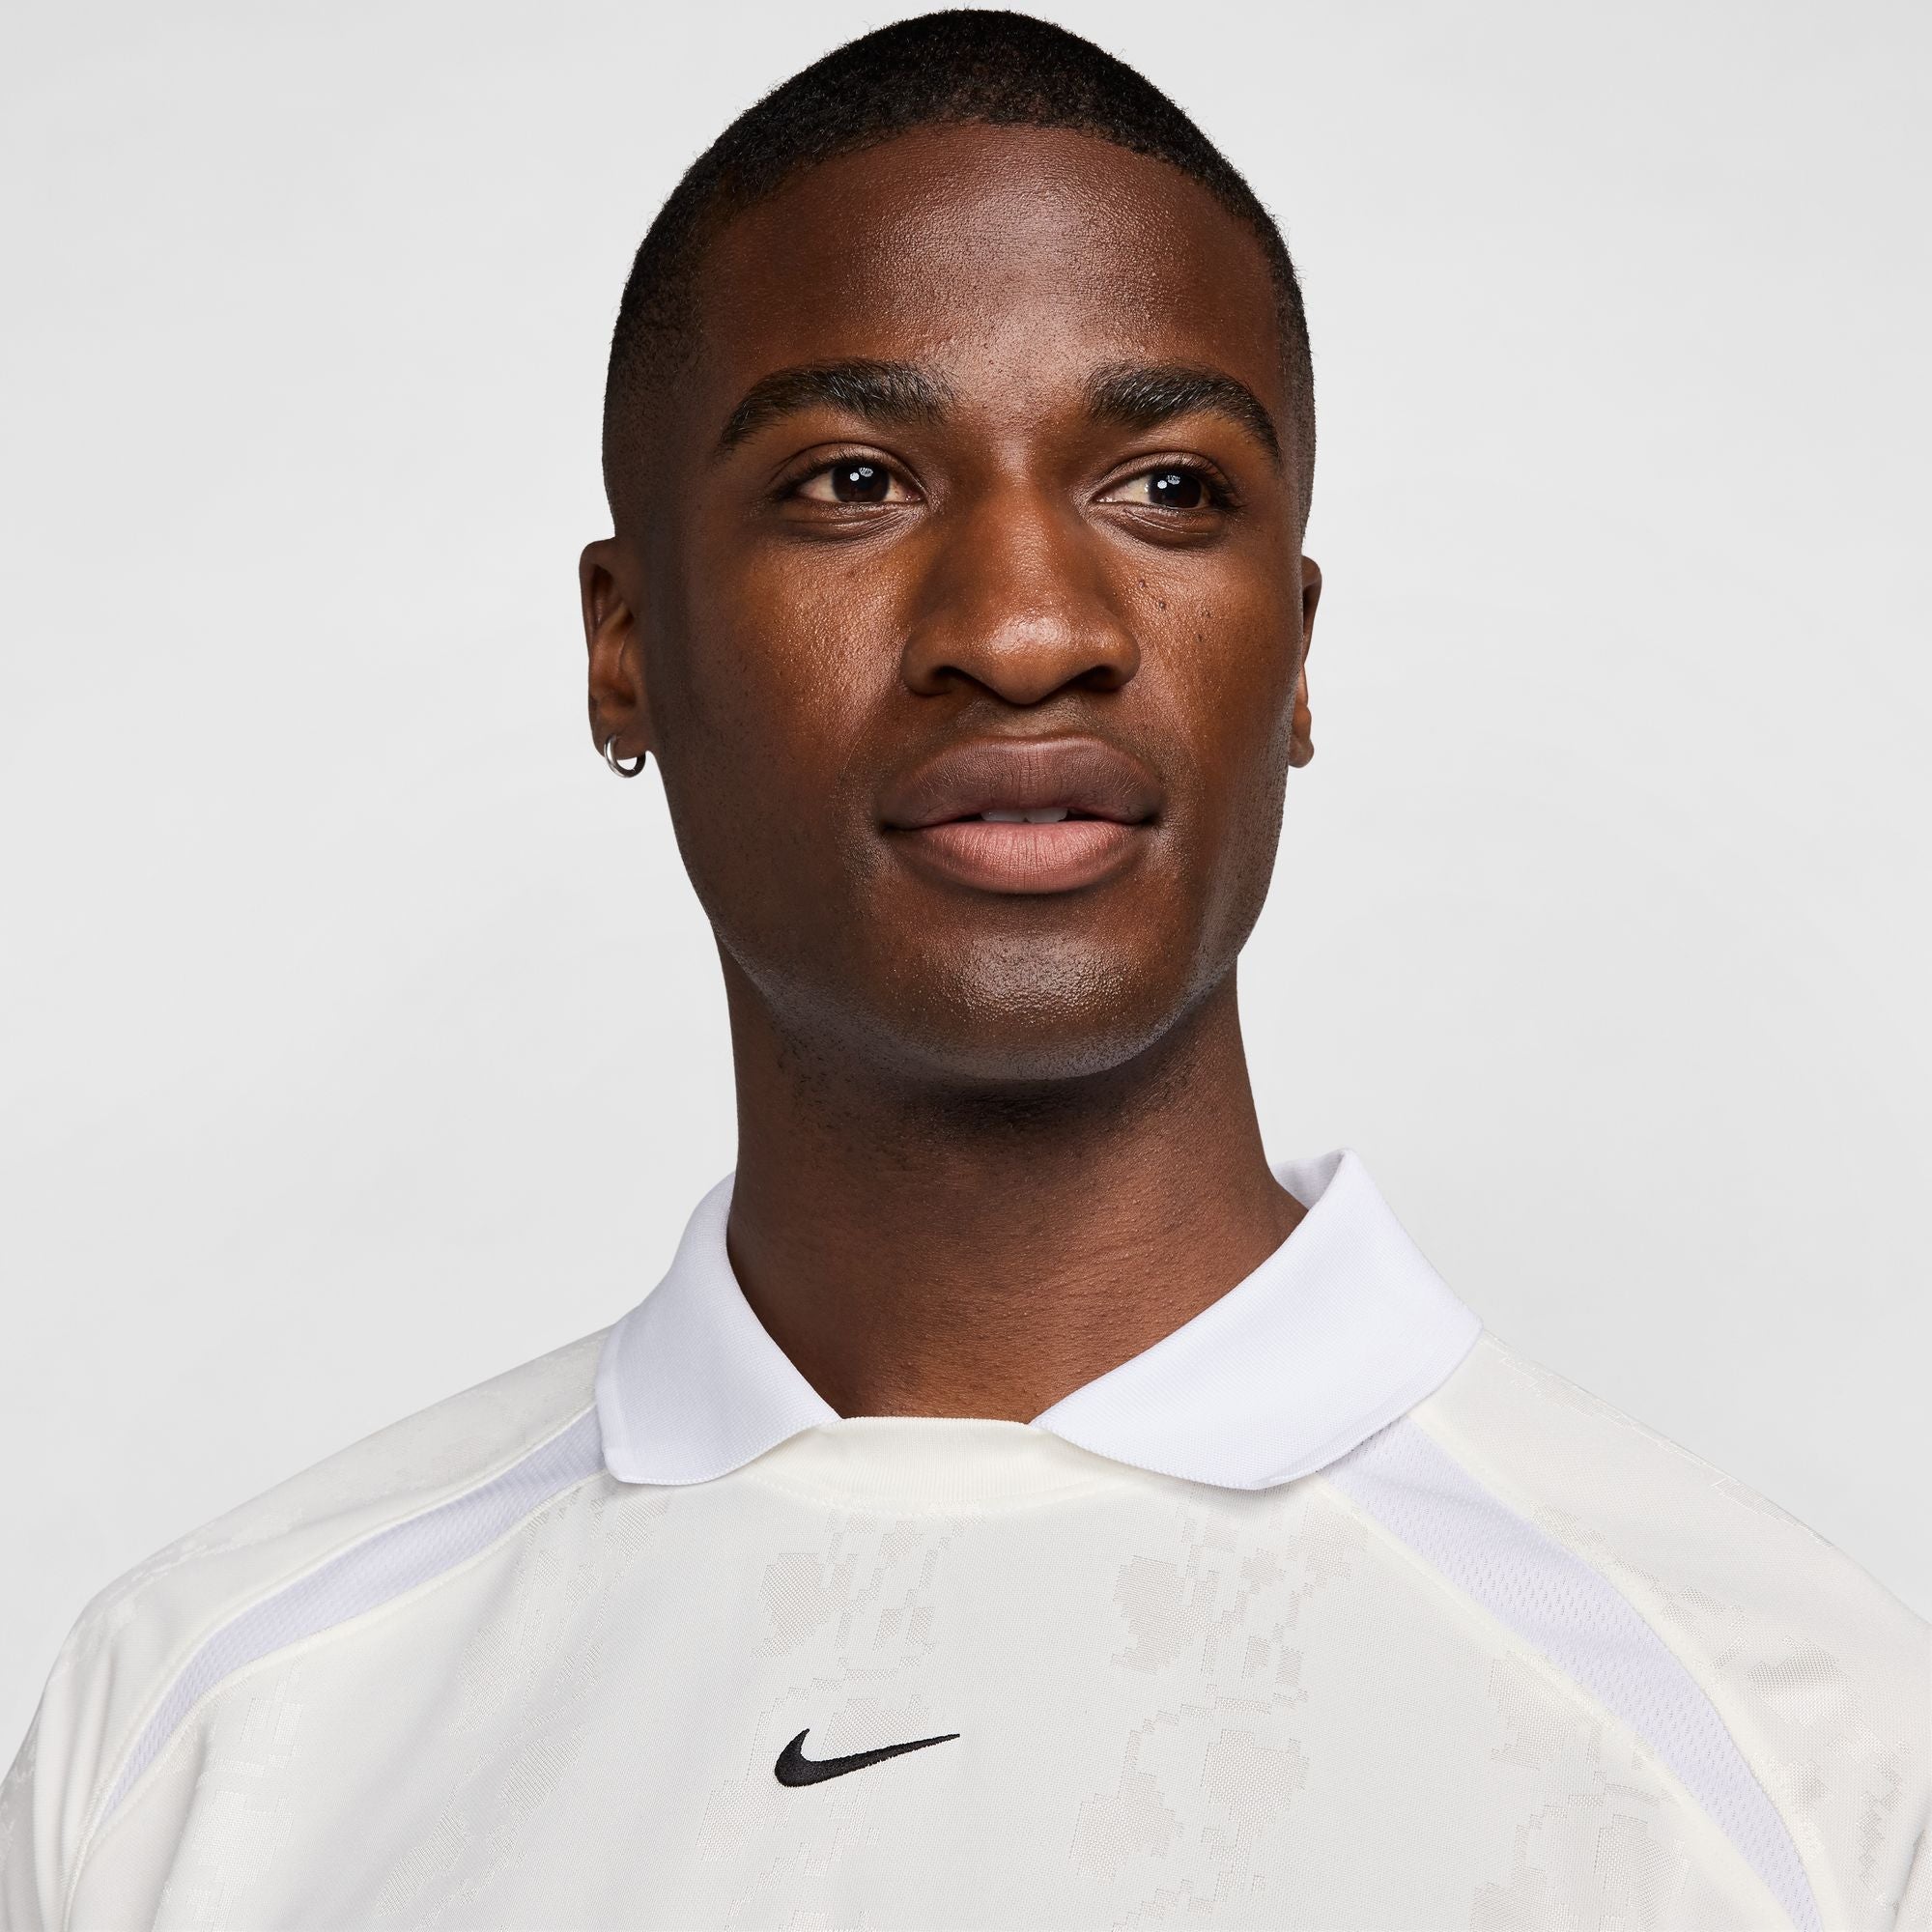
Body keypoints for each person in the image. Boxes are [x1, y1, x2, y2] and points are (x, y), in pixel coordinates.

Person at [3, 11, 1924, 1928]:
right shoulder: (209, 1736)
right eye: (854, 481)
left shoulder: (1793, 1740)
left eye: (1167, 488)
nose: (1023, 629)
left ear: (1296, 650)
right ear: (624, 646)